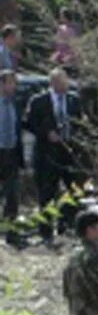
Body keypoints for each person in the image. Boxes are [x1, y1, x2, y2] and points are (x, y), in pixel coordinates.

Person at [25, 66, 84, 240]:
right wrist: (46, 133)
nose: (64, 85)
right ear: (52, 83)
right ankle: (46, 231)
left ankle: (66, 226)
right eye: (60, 82)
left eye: (66, 81)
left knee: (73, 191)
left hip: (69, 152)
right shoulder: (38, 101)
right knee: (47, 193)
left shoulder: (74, 100)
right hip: (47, 154)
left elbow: (80, 123)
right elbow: (29, 123)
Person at [0, 69, 23, 235]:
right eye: (11, 82)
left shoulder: (16, 103)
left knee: (12, 194)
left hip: (11, 153)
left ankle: (11, 230)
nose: (14, 86)